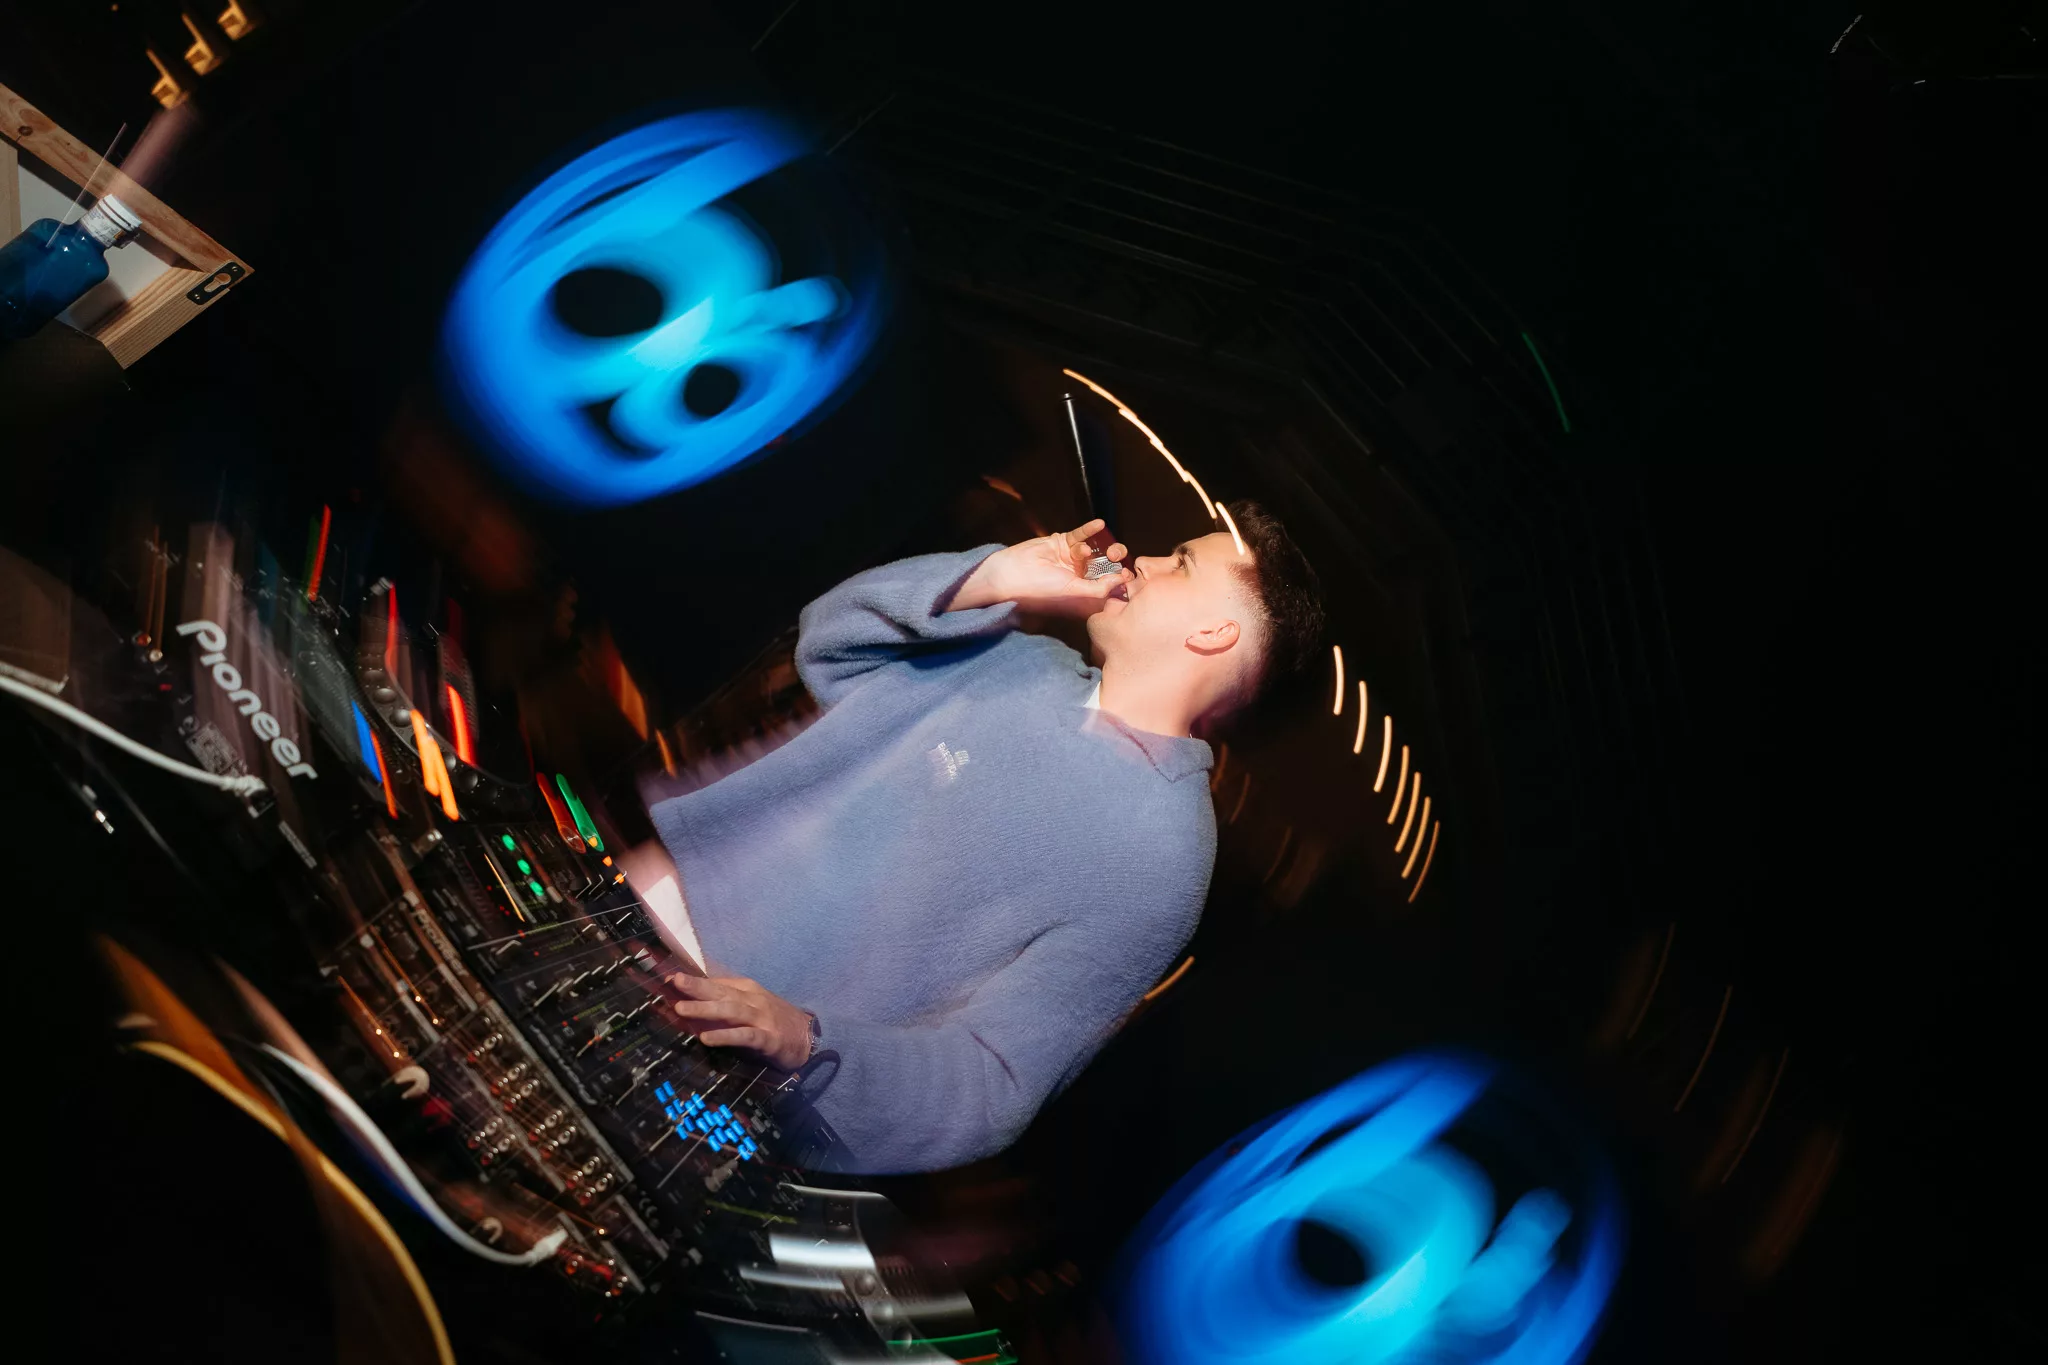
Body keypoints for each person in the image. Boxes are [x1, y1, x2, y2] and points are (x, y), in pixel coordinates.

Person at [627, 503, 1324, 1172]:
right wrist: (993, 577)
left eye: (1181, 562)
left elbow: (991, 1080)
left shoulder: (1163, 857)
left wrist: (805, 1040)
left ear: (1214, 632)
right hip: (629, 909)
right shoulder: (1026, 663)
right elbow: (828, 643)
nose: (1144, 561)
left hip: (712, 1058)